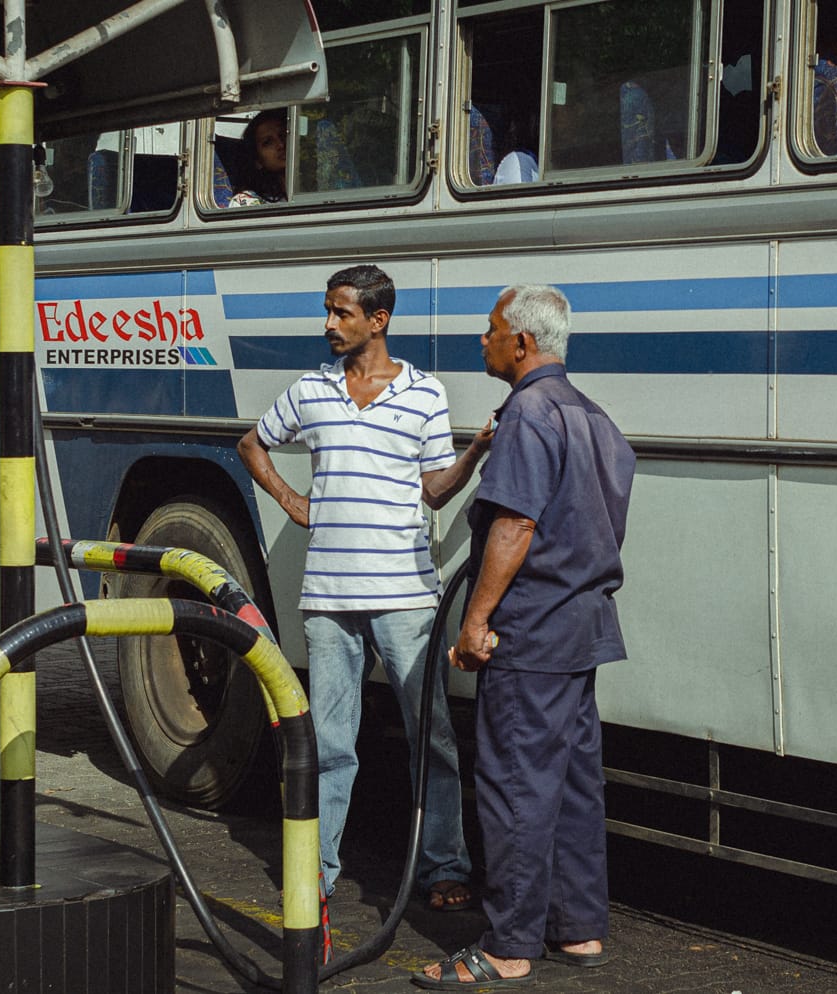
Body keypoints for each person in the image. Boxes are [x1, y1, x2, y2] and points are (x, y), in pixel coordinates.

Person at [237, 264, 492, 912]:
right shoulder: (311, 390)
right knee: (329, 744)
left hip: (406, 597)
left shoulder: (424, 395)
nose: (328, 324)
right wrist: (293, 500)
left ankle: (443, 868)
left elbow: (434, 488)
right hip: (328, 601)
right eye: (327, 310)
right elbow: (252, 443)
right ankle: (316, 876)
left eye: (341, 312)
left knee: (429, 737)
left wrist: (473, 455)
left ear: (378, 320)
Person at [414, 284, 635, 990]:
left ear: (522, 343)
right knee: (572, 785)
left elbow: (514, 526)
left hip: (532, 635)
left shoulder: (529, 414)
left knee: (515, 787)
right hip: (582, 627)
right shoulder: (594, 418)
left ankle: (508, 946)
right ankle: (579, 930)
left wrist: (476, 622)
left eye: (489, 331)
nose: (483, 341)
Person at [228, 108, 287, 206]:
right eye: (268, 142)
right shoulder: (247, 201)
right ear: (258, 160)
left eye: (283, 135)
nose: (281, 145)